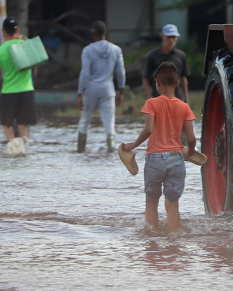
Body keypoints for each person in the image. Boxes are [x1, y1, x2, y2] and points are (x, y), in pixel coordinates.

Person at [123, 62, 197, 232]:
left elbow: (148, 129)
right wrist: (191, 152)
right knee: (172, 205)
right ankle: (173, 240)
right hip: (176, 158)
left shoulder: (152, 103)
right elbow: (191, 138)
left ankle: (152, 240)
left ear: (157, 83)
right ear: (177, 83)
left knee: (151, 201)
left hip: (155, 159)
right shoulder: (184, 107)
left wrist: (133, 145)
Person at [76, 21, 125, 153]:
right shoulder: (116, 50)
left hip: (91, 91)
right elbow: (121, 72)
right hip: (108, 90)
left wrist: (80, 93)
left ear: (93, 33)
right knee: (110, 126)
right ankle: (111, 152)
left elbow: (84, 73)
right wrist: (121, 91)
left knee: (84, 121)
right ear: (105, 33)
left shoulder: (88, 50)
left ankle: (80, 151)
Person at [0, 17, 37, 147]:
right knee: (23, 125)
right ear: (18, 30)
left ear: (3, 31)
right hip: (26, 90)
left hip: (8, 92)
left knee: (6, 125)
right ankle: (23, 151)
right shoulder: (25, 46)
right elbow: (36, 65)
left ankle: (14, 146)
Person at [142, 24, 189, 103]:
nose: (171, 40)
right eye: (168, 37)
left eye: (173, 37)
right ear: (163, 37)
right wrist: (150, 97)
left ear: (177, 38)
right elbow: (145, 77)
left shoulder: (181, 55)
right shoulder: (153, 55)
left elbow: (183, 77)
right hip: (158, 97)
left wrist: (186, 100)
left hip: (177, 98)